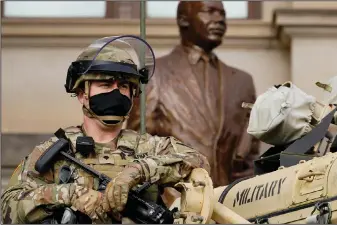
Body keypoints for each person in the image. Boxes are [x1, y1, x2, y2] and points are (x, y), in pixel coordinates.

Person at [1, 36, 210, 224]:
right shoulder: (56, 152)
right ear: (82, 93)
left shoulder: (149, 146)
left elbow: (199, 161)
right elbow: (8, 208)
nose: (116, 92)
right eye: (105, 84)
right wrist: (71, 194)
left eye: (124, 86)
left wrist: (139, 171)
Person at [127, 1, 260, 187]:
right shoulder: (155, 74)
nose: (220, 19)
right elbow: (136, 147)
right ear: (183, 20)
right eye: (209, 12)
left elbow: (250, 156)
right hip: (175, 204)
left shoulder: (242, 82)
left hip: (230, 205)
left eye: (222, 13)